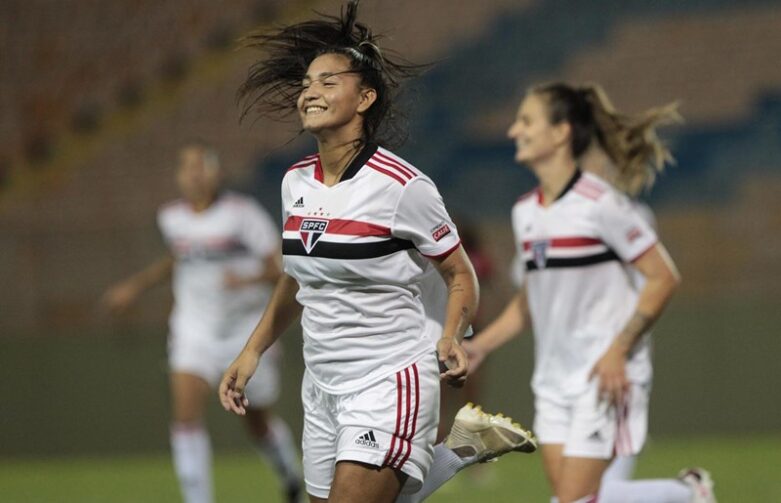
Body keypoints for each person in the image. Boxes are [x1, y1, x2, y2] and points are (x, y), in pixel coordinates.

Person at [218, 3, 534, 502]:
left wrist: (451, 335)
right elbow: (300, 276)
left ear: (365, 97)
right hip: (322, 387)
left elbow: (460, 275)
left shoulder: (402, 187)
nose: (310, 92)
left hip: (390, 378)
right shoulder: (294, 181)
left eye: (327, 81)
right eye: (306, 83)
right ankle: (458, 451)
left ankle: (454, 450)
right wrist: (252, 350)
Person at [464, 82, 717, 503]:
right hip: (552, 379)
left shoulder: (602, 204)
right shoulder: (525, 212)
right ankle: (684, 494)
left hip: (605, 375)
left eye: (526, 121)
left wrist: (619, 349)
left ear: (560, 132)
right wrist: (481, 347)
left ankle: (686, 494)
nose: (514, 131)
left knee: (572, 502)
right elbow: (531, 300)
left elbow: (663, 277)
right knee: (575, 500)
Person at [102, 141, 303, 503]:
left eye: (200, 166)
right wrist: (134, 287)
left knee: (256, 420)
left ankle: (288, 472)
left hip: (244, 333)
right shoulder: (172, 218)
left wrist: (246, 281)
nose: (193, 174)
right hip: (193, 329)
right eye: (185, 167)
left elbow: (280, 271)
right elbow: (176, 258)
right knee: (185, 416)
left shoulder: (243, 215)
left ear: (215, 173)